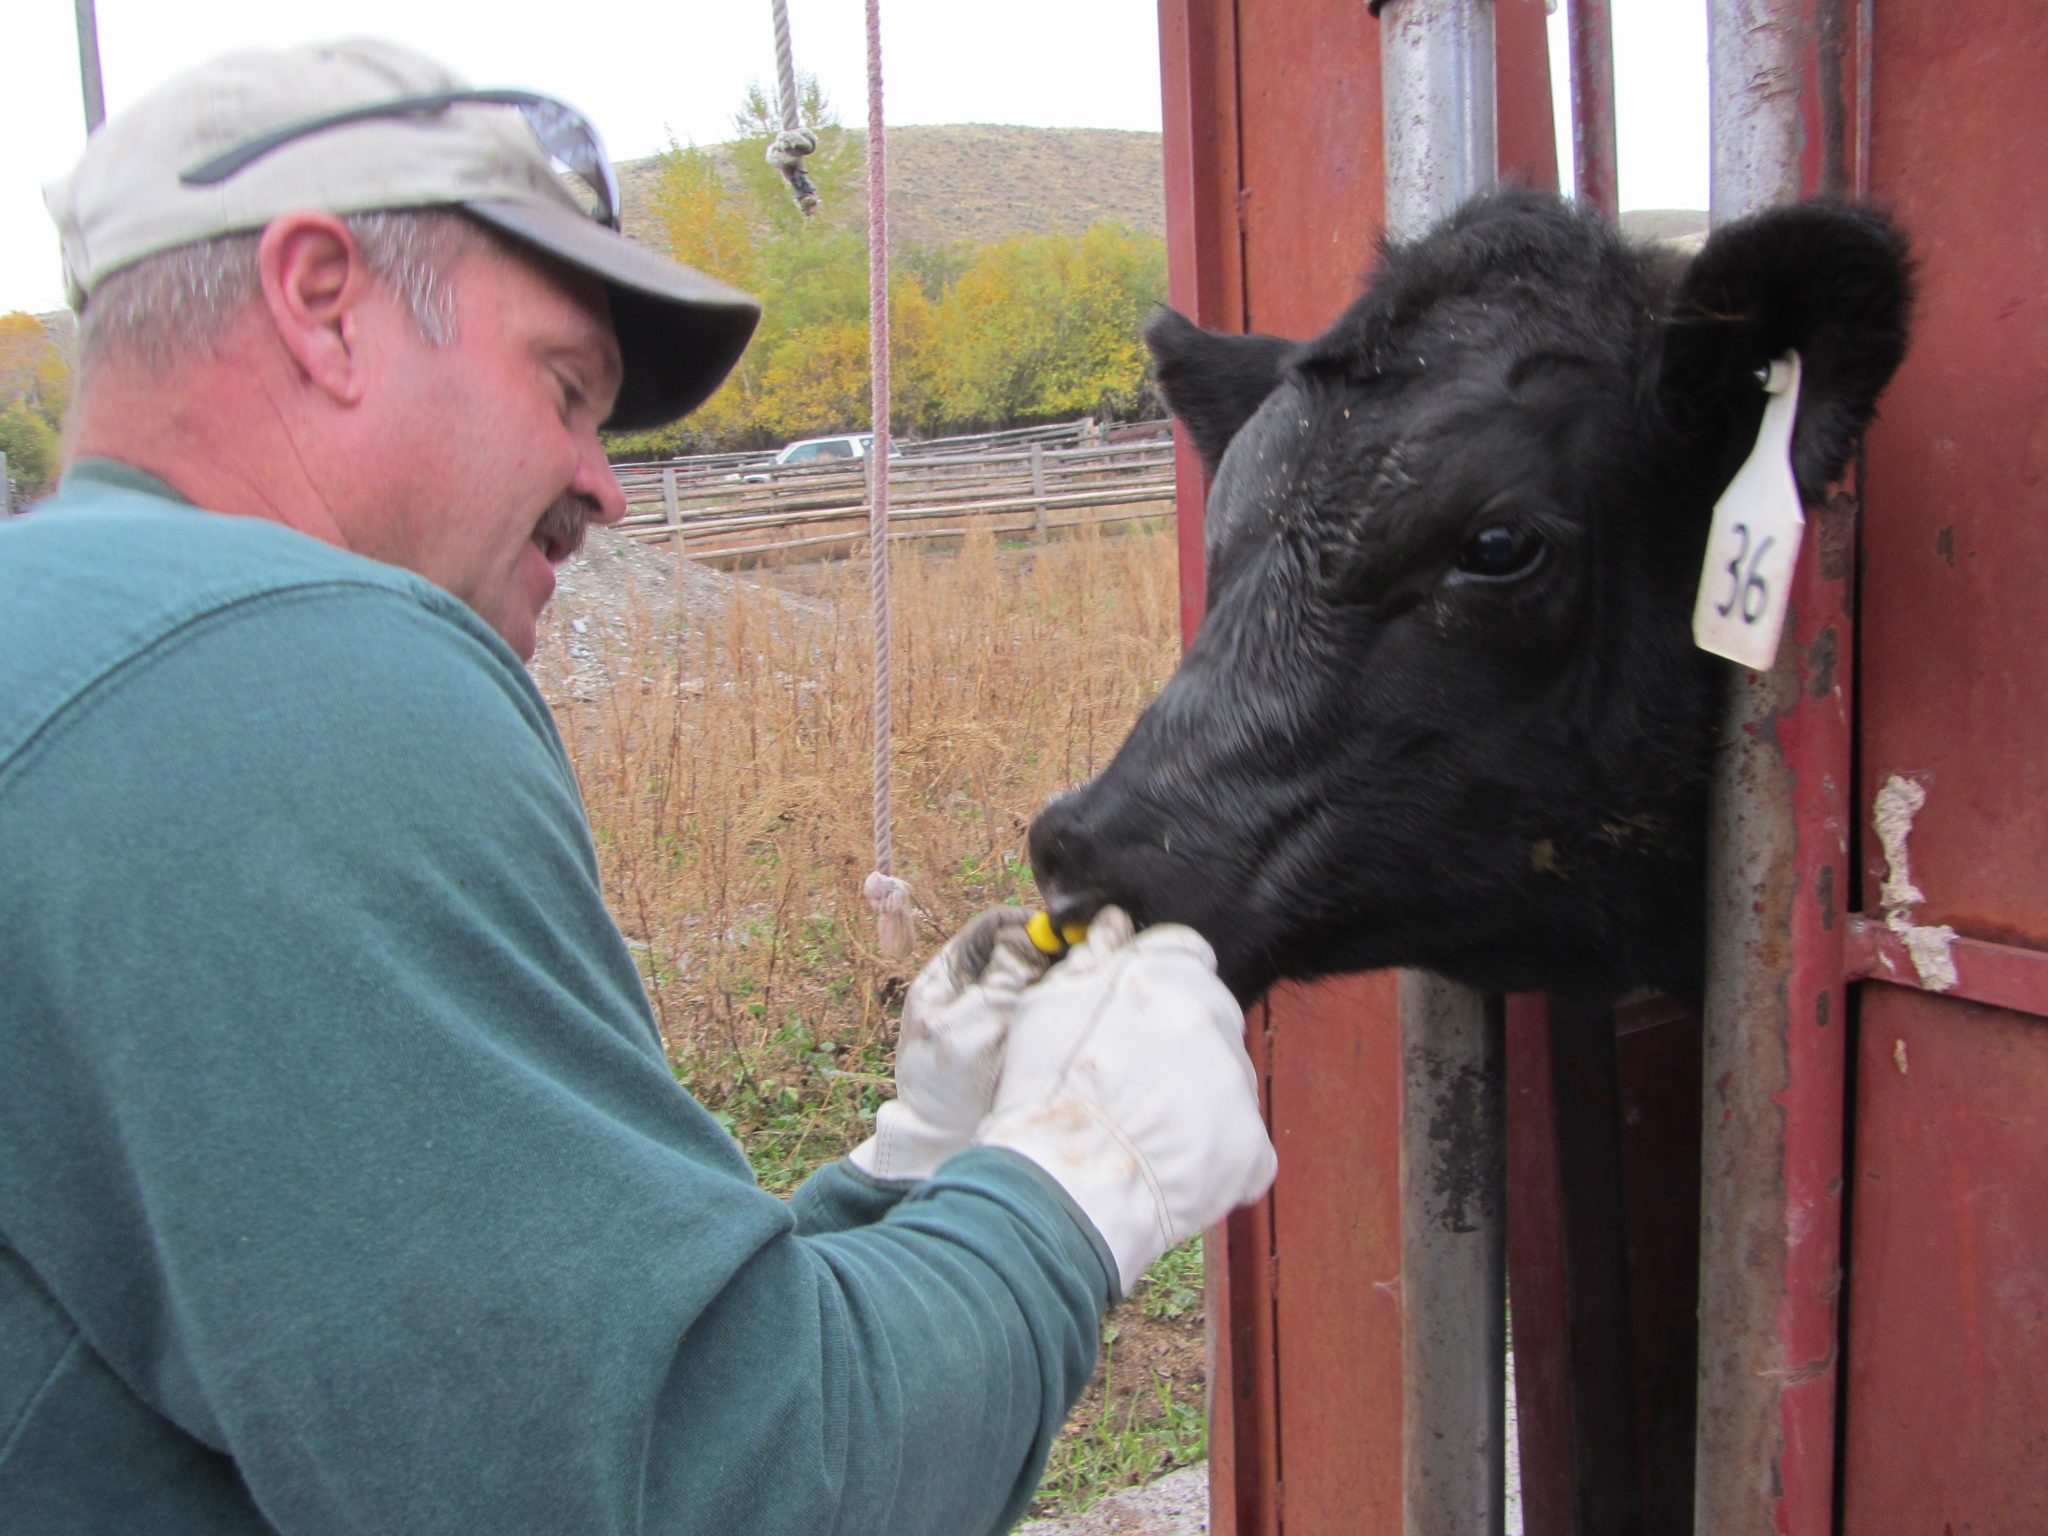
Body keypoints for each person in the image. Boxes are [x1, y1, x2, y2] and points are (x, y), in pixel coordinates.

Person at [0, 37, 1278, 1536]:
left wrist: (913, 1171)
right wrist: (1078, 1184)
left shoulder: (77, 656)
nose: (605, 485)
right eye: (567, 389)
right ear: (324, 304)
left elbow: (485, 1400)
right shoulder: (283, 666)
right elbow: (704, 1495)